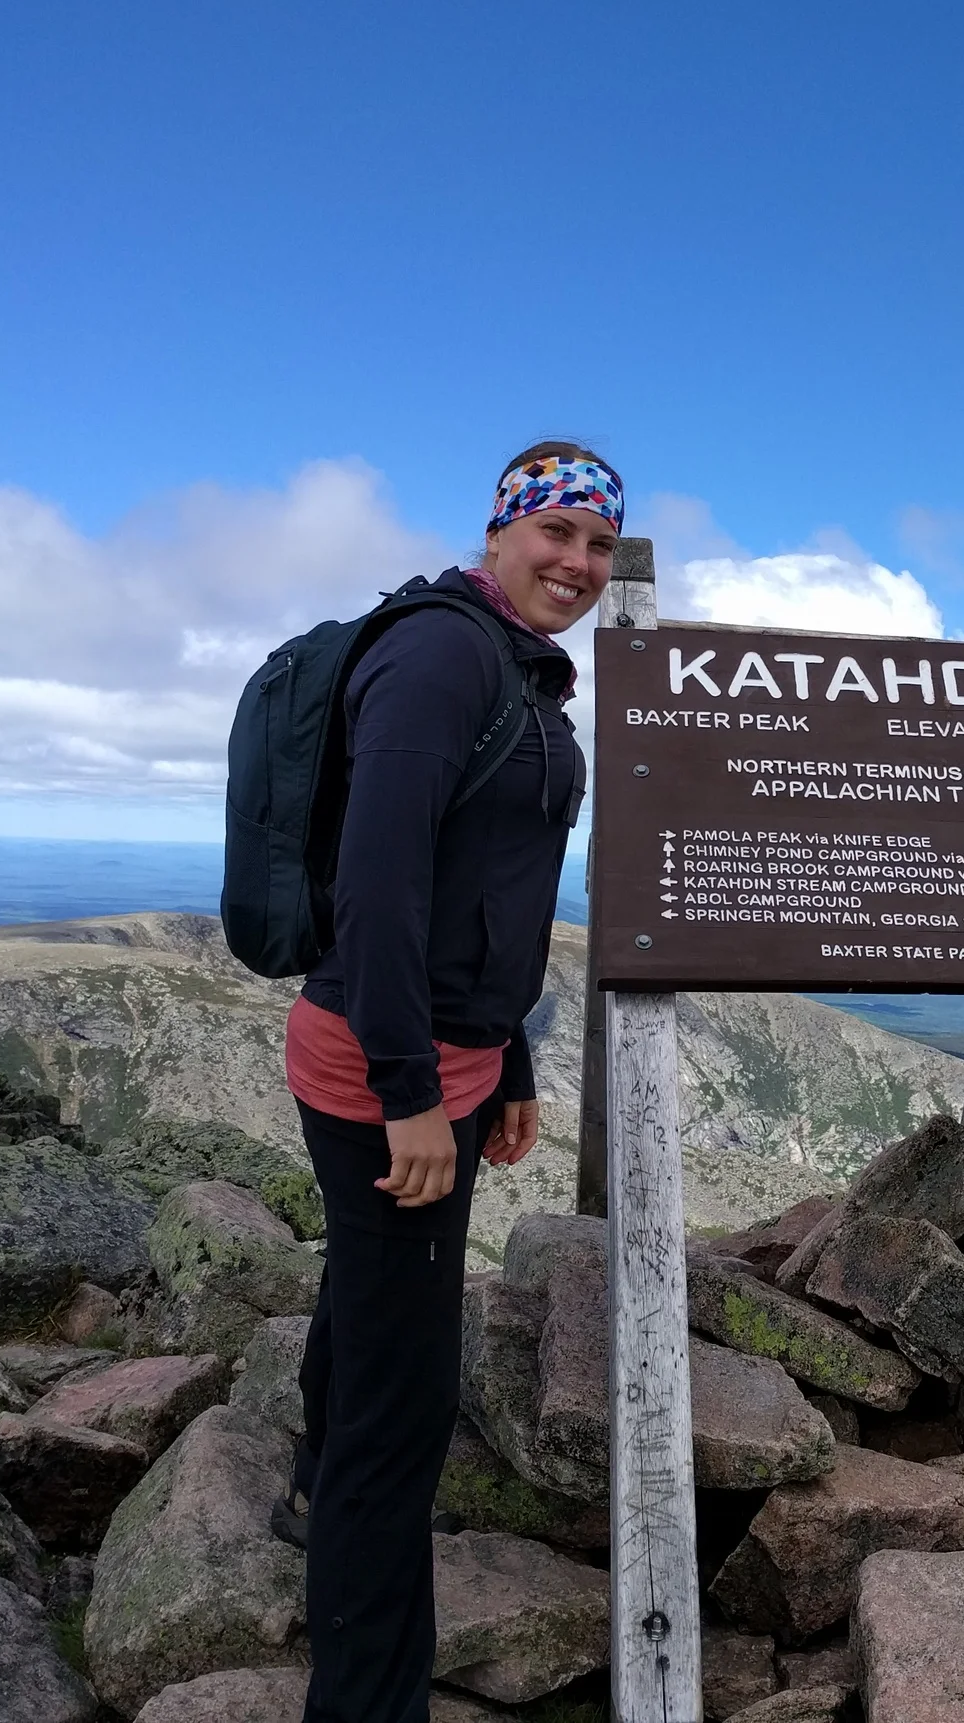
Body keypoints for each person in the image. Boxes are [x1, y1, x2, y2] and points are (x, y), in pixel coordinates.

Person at [280, 441, 619, 1723]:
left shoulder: (517, 670)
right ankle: (366, 1699)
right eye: (556, 533)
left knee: (369, 1298)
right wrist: (410, 1090)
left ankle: (309, 1485)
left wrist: (509, 1053)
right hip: (387, 1071)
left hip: (454, 1059)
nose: (576, 563)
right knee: (405, 1402)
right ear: (498, 530)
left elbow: (488, 893)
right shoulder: (439, 655)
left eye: (598, 544)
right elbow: (377, 888)